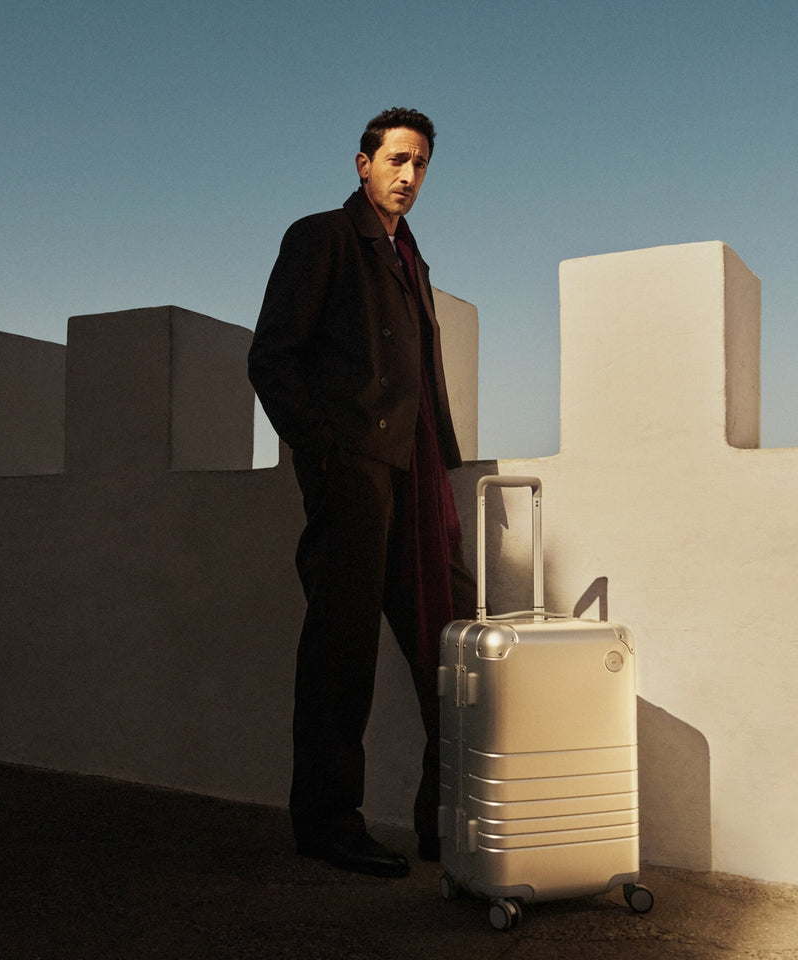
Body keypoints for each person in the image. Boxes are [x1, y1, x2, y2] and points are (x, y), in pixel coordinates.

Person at [248, 107, 476, 878]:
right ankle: (327, 823)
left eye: (421, 164)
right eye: (397, 160)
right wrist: (326, 454)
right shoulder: (322, 237)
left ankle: (445, 821)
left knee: (454, 640)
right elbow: (271, 357)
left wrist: (441, 462)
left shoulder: (411, 258)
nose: (409, 175)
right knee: (340, 654)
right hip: (355, 472)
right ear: (363, 164)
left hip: (416, 476)